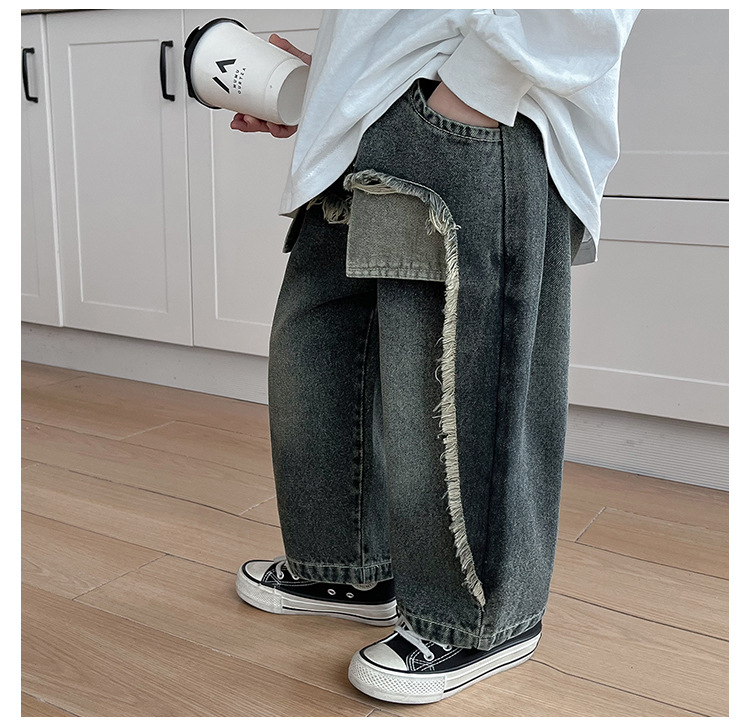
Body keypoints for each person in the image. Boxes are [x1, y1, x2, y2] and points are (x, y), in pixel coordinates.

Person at [230, 9, 640, 705]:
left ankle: (478, 620)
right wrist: (325, 78)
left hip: (468, 106)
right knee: (320, 353)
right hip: (366, 116)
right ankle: (347, 568)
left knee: (447, 385)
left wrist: (478, 85)